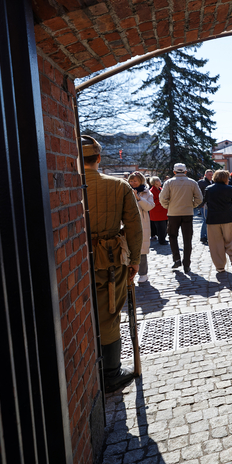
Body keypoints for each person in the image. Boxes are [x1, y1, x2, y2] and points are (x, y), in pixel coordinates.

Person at [80, 135, 142, 392]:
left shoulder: (60, 185)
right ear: (99, 158)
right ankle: (110, 372)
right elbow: (134, 227)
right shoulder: (119, 186)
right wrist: (135, 261)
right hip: (109, 261)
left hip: (74, 261)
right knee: (109, 313)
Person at [160, 163, 204, 274]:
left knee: (172, 236)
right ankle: (186, 264)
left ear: (174, 172)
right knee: (187, 239)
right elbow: (199, 198)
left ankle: (176, 259)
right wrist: (192, 206)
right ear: (185, 171)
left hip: (173, 213)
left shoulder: (169, 182)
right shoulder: (192, 182)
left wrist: (168, 206)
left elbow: (162, 198)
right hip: (187, 213)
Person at [203, 170, 232, 272]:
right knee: (231, 240)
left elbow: (205, 202)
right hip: (228, 218)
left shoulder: (209, 189)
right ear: (225, 178)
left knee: (215, 243)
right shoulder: (230, 188)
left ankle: (220, 266)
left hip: (213, 219)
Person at [127, 172, 155, 284]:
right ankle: (129, 273)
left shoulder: (146, 192)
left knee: (141, 250)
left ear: (141, 181)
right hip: (128, 223)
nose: (133, 183)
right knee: (128, 249)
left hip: (142, 224)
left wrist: (138, 198)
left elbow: (149, 207)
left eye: (135, 181)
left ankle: (143, 274)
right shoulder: (124, 190)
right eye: (131, 181)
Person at [149, 177, 169, 245]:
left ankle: (163, 238)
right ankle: (161, 240)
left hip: (163, 211)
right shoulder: (151, 191)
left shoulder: (160, 189)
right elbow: (152, 202)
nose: (160, 181)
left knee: (165, 226)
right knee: (161, 227)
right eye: (158, 180)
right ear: (155, 182)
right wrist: (162, 199)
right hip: (157, 212)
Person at [197, 170, 213, 244]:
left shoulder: (212, 182)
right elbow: (197, 194)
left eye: (211, 174)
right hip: (204, 205)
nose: (211, 176)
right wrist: (201, 204)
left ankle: (208, 236)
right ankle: (203, 236)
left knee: (209, 221)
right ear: (205, 175)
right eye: (209, 174)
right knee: (205, 221)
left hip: (211, 205)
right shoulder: (201, 183)